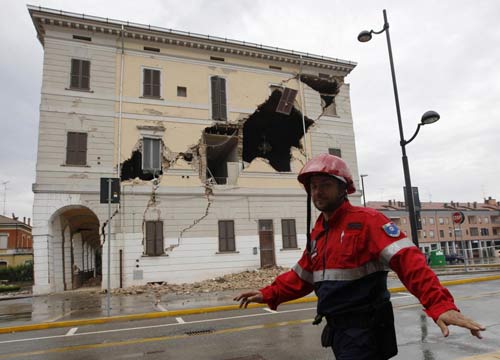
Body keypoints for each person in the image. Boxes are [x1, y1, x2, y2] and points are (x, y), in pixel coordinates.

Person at [234, 153, 485, 360]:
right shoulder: (319, 232)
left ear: (343, 189)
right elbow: (303, 275)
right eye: (313, 186)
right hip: (339, 331)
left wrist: (440, 305)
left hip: (367, 331)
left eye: (325, 185)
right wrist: (267, 293)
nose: (317, 192)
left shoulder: (368, 221)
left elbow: (410, 263)